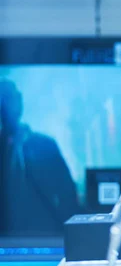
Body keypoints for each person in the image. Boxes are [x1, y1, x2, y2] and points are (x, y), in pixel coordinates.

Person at [0, 79, 80, 235]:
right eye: (4, 98)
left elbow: (68, 195)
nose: (8, 105)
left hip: (45, 236)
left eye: (12, 97)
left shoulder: (44, 145)